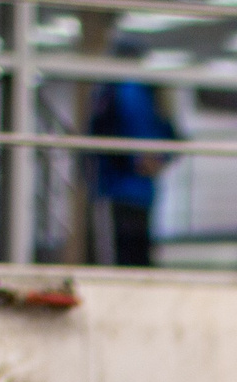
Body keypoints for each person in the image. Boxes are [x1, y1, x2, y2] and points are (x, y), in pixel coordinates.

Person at [89, 45, 180, 267]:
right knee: (132, 252)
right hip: (128, 188)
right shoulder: (138, 92)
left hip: (125, 188)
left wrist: (148, 161)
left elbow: (103, 134)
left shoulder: (120, 91)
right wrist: (154, 160)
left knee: (125, 254)